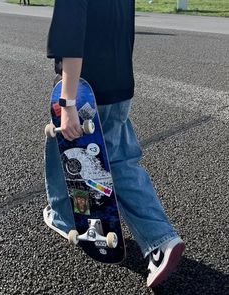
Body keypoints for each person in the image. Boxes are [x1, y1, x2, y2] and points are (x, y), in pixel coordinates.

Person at [46, 0, 185, 288]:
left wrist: (68, 101)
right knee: (65, 148)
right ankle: (61, 213)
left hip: (88, 91)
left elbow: (72, 34)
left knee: (110, 162)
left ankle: (160, 239)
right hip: (119, 81)